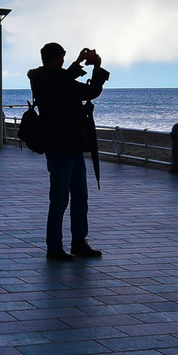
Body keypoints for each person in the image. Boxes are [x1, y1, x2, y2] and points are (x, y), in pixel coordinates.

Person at [27, 42, 109, 260]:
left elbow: (90, 91)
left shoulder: (65, 78)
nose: (64, 60)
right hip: (58, 146)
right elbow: (53, 92)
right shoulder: (40, 79)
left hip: (74, 146)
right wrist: (76, 64)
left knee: (80, 197)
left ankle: (79, 242)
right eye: (62, 57)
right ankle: (54, 247)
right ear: (53, 58)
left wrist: (97, 70)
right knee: (60, 199)